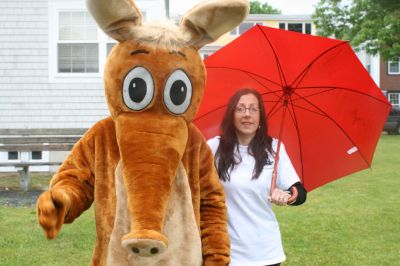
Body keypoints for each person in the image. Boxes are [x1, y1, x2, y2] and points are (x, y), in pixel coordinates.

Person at [207, 88, 307, 266]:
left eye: (253, 109)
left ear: (260, 116)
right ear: (232, 114)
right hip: (227, 253)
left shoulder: (274, 148)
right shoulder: (215, 148)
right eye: (241, 109)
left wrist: (288, 196)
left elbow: (300, 191)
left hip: (267, 253)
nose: (247, 114)